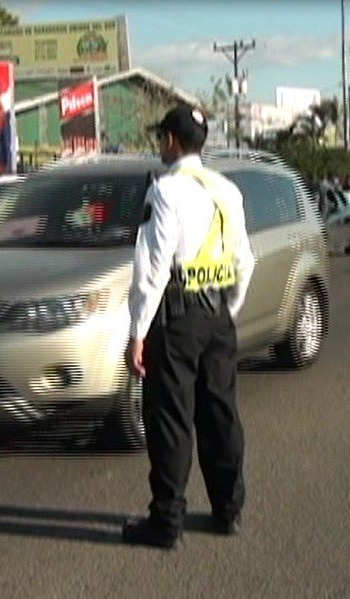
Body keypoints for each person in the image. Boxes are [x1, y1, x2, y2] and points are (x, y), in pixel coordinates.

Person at [122, 104, 255, 549]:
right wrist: (226, 309)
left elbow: (153, 267)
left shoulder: (165, 191)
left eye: (162, 137)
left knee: (171, 419)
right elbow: (244, 261)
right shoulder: (227, 190)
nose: (160, 144)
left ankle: (166, 522)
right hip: (217, 315)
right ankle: (228, 509)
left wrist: (137, 331)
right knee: (220, 415)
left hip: (175, 320)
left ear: (171, 142)